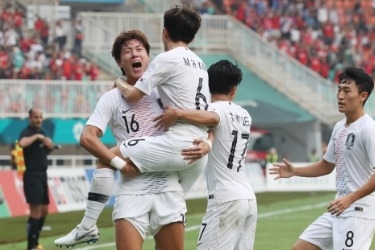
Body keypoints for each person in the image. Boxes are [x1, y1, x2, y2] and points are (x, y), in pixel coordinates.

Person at [54, 30, 210, 249]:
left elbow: (207, 116)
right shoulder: (112, 97)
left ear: (148, 57)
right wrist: (120, 166)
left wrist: (208, 142)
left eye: (140, 50)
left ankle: (87, 225)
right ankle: (88, 225)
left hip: (168, 187)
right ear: (120, 61)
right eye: (127, 51)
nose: (134, 54)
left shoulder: (165, 92)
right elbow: (88, 137)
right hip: (131, 191)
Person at [269, 66, 375, 250]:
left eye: (347, 91)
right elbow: (326, 166)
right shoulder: (339, 127)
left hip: (358, 212)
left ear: (363, 96)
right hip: (339, 208)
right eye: (339, 90)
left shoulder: (368, 129)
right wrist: (295, 171)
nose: (340, 96)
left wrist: (350, 198)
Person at [155, 59, 257, 249]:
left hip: (225, 199)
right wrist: (210, 141)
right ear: (233, 90)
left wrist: (178, 113)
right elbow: (217, 126)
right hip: (248, 198)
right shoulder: (245, 115)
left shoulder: (212, 109)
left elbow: (213, 117)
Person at [110, 5, 210, 182]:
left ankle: (90, 211)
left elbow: (132, 96)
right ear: (193, 36)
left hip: (178, 145)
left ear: (165, 32)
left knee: (107, 157)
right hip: (200, 149)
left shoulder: (167, 58)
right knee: (174, 206)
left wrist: (119, 81)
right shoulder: (200, 64)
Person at [19, 108, 56, 250]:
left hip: (42, 175)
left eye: (41, 117)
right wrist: (37, 137)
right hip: (32, 175)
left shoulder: (42, 132)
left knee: (45, 210)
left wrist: (50, 146)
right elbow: (22, 143)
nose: (39, 120)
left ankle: (33, 234)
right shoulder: (27, 132)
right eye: (36, 117)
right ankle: (31, 246)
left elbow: (46, 150)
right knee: (35, 210)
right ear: (30, 118)